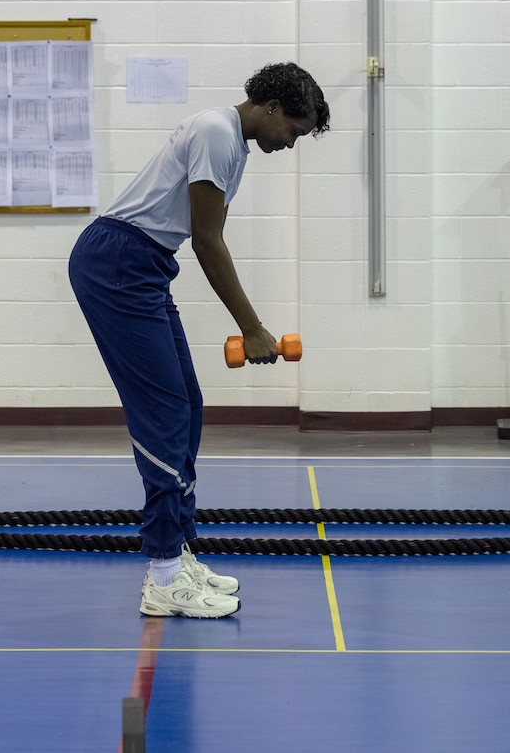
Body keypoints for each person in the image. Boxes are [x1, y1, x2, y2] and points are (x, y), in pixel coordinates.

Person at [67, 64, 329, 618]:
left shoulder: (235, 146)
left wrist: (250, 323)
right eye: (295, 131)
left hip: (145, 265)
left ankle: (179, 553)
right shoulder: (216, 132)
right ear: (273, 107)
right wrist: (252, 326)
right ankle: (162, 573)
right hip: (118, 262)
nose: (291, 143)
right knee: (163, 413)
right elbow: (208, 243)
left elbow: (210, 236)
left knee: (187, 404)